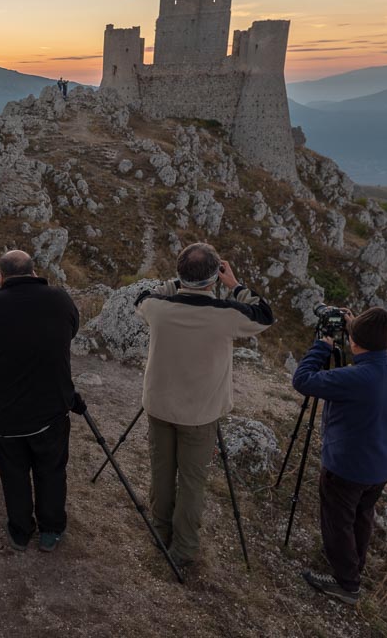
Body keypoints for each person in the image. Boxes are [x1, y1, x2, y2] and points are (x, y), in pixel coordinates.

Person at [135, 242, 274, 570]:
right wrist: (235, 285)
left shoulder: (158, 308)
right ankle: (183, 549)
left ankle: (160, 529)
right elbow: (265, 315)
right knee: (192, 482)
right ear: (215, 277)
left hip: (159, 406)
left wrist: (174, 284)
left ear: (180, 274)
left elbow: (142, 298)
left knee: (162, 472)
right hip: (200, 414)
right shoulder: (226, 316)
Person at [292, 307, 387, 605]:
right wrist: (355, 326)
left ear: (355, 343)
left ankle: (346, 584)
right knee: (362, 516)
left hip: (346, 468)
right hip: (381, 466)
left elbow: (303, 380)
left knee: (338, 521)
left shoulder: (353, 378)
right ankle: (354, 565)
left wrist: (322, 346)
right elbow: (376, 353)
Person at [0, 250, 79, 552]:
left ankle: (20, 530)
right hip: (52, 407)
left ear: (0, 277)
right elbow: (72, 328)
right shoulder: (60, 298)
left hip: (6, 413)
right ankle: (51, 529)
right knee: (52, 470)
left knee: (13, 473)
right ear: (34, 273)